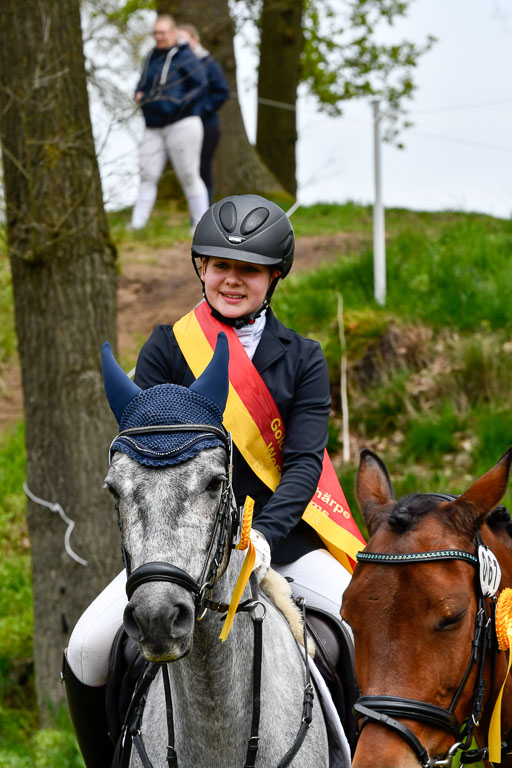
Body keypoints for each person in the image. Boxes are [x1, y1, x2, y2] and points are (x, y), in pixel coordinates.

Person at [64, 194, 357, 766]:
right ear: (201, 267)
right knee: (87, 648)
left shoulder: (304, 358)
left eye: (248, 270)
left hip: (284, 543)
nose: (232, 280)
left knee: (356, 628)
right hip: (182, 548)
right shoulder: (167, 348)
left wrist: (265, 534)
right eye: (221, 265)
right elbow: (150, 462)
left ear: (274, 278)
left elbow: (303, 463)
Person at [129, 14, 209, 231]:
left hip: (183, 123)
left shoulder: (186, 56)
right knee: (147, 174)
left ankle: (201, 226)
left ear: (173, 33)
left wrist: (179, 104)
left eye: (162, 32)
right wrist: (139, 93)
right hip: (153, 125)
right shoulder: (151, 58)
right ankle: (137, 226)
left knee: (188, 174)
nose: (158, 37)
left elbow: (201, 85)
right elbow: (143, 82)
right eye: (155, 33)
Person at [177, 24, 230, 205]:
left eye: (185, 39)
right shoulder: (175, 65)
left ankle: (205, 213)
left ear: (195, 40)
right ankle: (195, 210)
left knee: (202, 168)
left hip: (207, 125)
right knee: (187, 169)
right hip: (181, 126)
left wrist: (201, 111)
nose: (181, 44)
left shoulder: (208, 63)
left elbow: (222, 91)